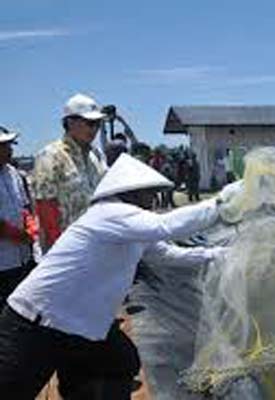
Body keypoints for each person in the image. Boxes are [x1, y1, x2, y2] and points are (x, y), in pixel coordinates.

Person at [0, 153, 246, 399]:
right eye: (147, 193)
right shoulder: (110, 213)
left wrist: (219, 254)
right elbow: (167, 226)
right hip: (37, 322)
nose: (152, 199)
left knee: (119, 362)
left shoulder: (130, 230)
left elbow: (168, 254)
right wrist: (222, 202)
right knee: (12, 390)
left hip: (77, 324)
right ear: (130, 192)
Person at [32, 93, 107, 253]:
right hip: (67, 249)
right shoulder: (51, 155)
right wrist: (61, 251)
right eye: (89, 123)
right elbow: (46, 208)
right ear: (69, 122)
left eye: (98, 123)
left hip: (98, 243)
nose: (94, 129)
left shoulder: (97, 155)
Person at [0, 127, 38, 305]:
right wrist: (19, 235)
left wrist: (30, 226)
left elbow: (23, 206)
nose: (10, 150)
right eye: (3, 146)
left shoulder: (12, 173)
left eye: (9, 145)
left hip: (23, 258)